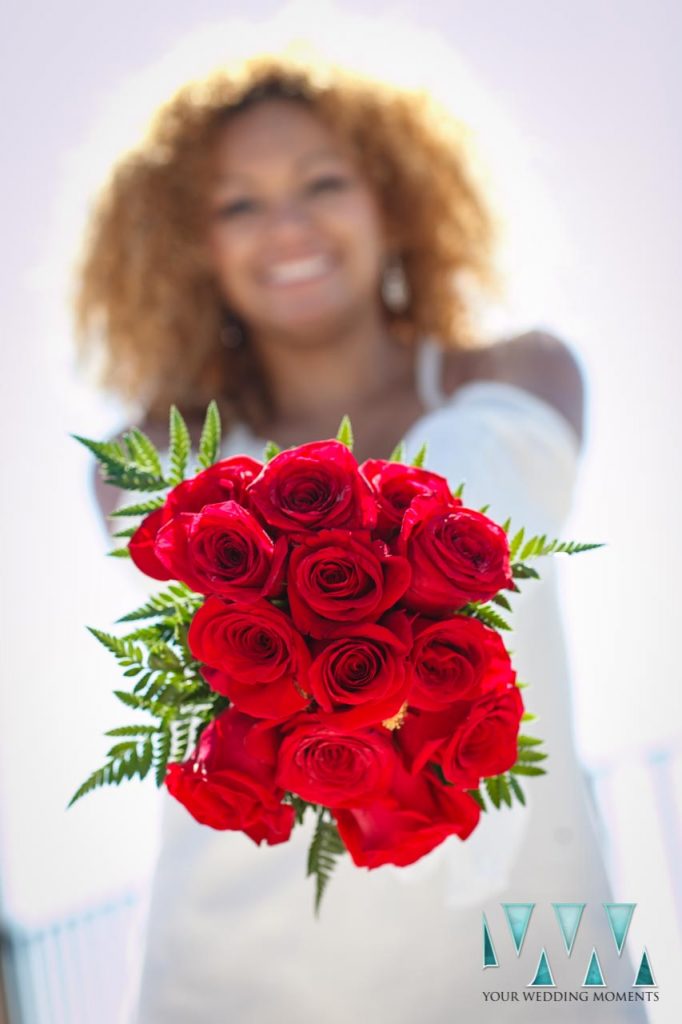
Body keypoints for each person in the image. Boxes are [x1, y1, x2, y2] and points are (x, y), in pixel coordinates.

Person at [75, 55, 648, 1023]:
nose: (289, 226)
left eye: (322, 182)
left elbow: (480, 490)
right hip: (241, 968)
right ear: (192, 245)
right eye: (237, 205)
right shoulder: (143, 453)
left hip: (529, 961)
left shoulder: (521, 371)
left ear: (391, 197)